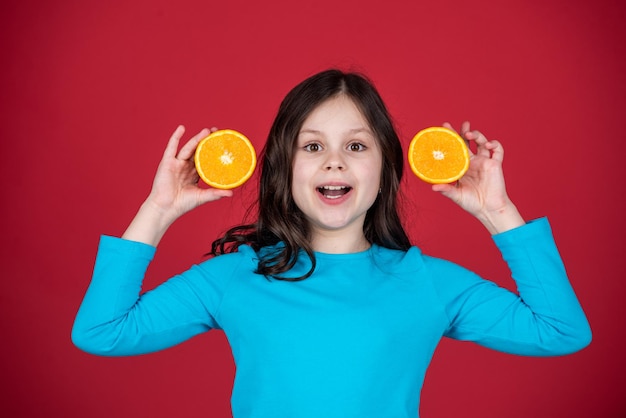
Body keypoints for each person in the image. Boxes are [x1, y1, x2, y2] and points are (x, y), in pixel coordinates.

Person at [72, 69, 591, 417]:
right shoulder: (236, 276)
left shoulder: (428, 282)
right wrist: (157, 211)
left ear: (386, 170)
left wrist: (498, 213)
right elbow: (101, 333)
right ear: (285, 170)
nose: (334, 162)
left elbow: (561, 332)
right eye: (313, 146)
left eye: (357, 145)